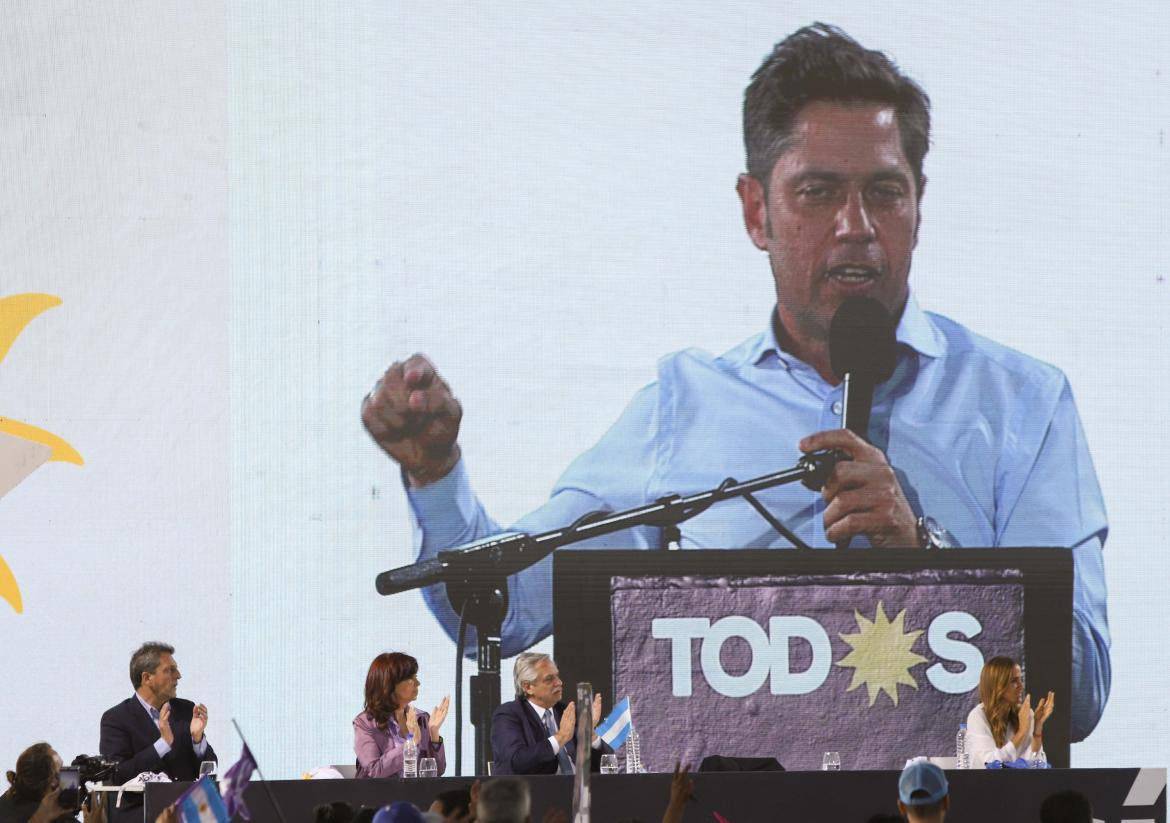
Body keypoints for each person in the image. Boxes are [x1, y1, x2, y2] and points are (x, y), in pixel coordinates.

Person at [362, 22, 1110, 742]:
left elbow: (1078, 689)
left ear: (919, 203)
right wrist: (435, 473)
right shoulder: (684, 408)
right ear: (757, 211)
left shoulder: (1022, 405)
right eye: (818, 191)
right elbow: (509, 605)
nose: (856, 224)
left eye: (885, 192)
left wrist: (925, 550)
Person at [99, 643, 215, 823]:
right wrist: (162, 745)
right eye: (170, 670)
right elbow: (117, 775)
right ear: (147, 678)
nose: (178, 676)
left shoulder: (186, 710)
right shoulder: (116, 719)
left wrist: (197, 739)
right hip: (142, 815)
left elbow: (211, 766)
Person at [490, 653, 611, 776]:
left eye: (557, 676)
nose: (559, 682)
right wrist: (560, 737)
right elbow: (516, 762)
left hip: (576, 790)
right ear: (528, 687)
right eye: (549, 679)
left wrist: (590, 735)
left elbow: (607, 764)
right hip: (538, 792)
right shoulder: (508, 715)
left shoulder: (567, 712)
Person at [354, 652, 450, 778]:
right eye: (411, 678)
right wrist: (411, 743)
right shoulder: (365, 723)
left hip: (417, 795)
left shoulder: (421, 718)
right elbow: (375, 771)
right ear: (389, 684)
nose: (418, 683)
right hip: (380, 796)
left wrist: (434, 733)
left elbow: (438, 771)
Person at [965, 656, 1053, 766]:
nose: (1021, 686)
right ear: (997, 685)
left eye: (1020, 680)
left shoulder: (1025, 714)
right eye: (1014, 681)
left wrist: (1037, 730)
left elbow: (1035, 763)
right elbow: (991, 763)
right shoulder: (978, 716)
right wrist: (1021, 732)